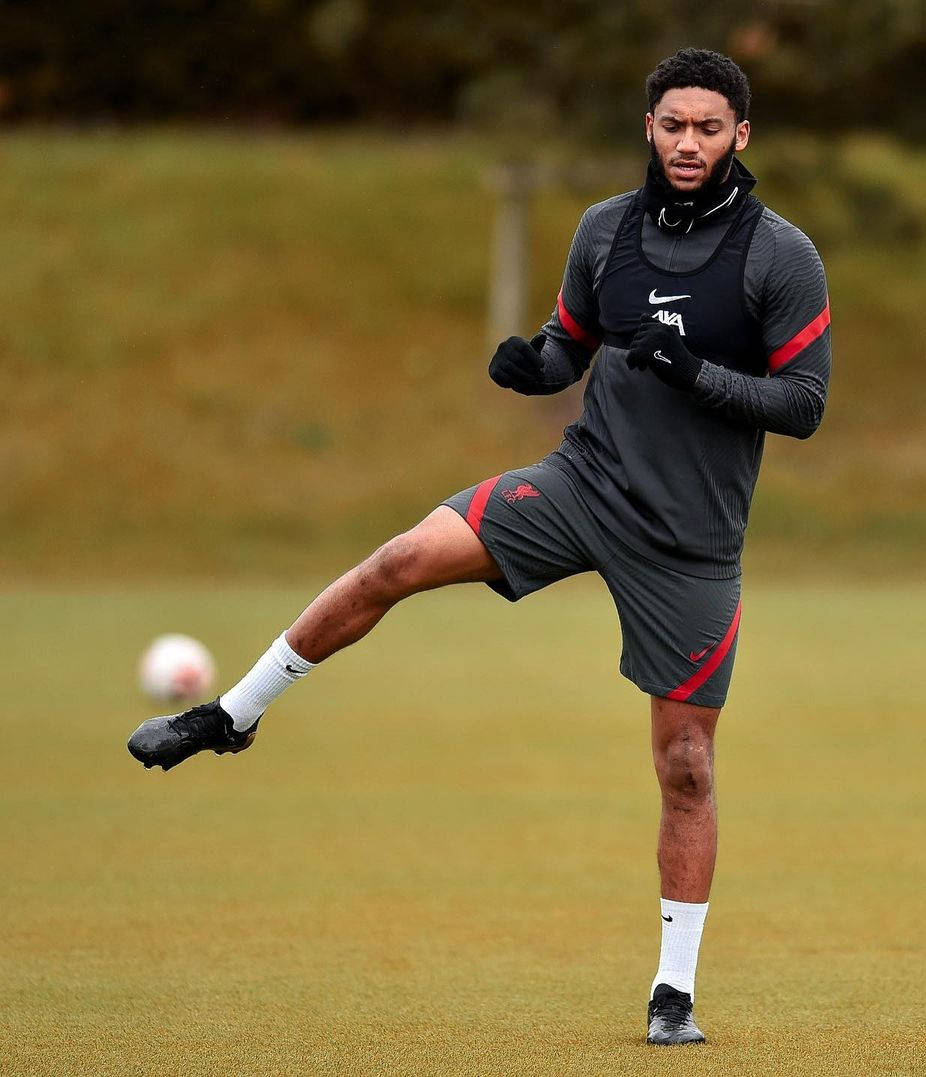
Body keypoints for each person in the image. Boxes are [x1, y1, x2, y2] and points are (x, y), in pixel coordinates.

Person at [127, 47, 831, 1047]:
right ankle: (230, 714)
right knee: (397, 561)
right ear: (649, 126)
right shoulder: (606, 232)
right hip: (581, 484)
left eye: (708, 128)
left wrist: (698, 374)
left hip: (690, 543)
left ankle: (673, 993)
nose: (688, 142)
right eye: (673, 124)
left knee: (686, 767)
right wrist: (533, 365)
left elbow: (803, 405)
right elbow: (569, 344)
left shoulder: (779, 257)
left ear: (741, 136)